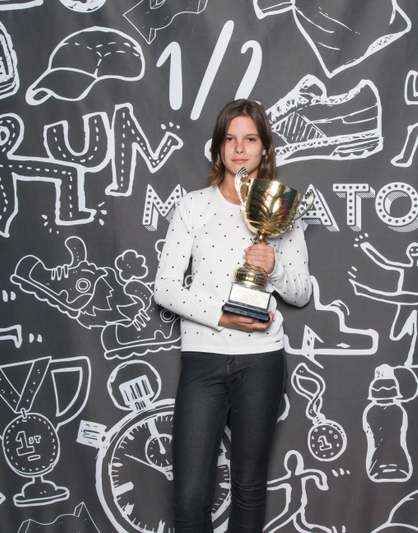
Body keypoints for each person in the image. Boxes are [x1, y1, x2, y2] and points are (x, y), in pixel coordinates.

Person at [154, 99, 312, 532]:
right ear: (218, 147)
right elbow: (164, 289)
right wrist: (224, 318)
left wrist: (274, 267)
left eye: (250, 139)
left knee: (248, 486)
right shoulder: (193, 206)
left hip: (262, 360)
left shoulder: (282, 208)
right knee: (190, 495)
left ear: (265, 148)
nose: (239, 148)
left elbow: (302, 293)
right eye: (230, 138)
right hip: (203, 358)